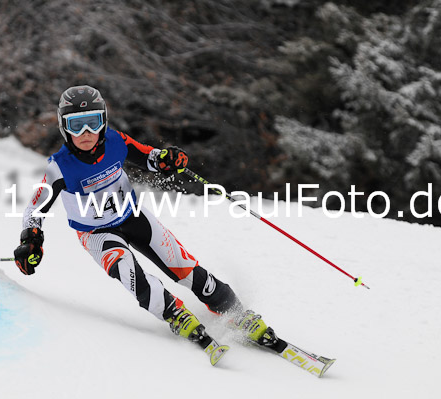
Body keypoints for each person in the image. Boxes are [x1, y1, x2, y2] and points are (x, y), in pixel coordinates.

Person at [14, 85, 282, 353]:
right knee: (130, 272)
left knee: (181, 264)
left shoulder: (116, 141)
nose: (85, 133)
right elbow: (35, 209)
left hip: (133, 216)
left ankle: (234, 310)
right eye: (76, 125)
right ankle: (175, 314)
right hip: (96, 234)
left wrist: (168, 159)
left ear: (103, 121)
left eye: (92, 123)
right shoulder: (59, 166)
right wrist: (31, 240)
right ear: (63, 127)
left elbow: (150, 157)